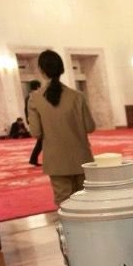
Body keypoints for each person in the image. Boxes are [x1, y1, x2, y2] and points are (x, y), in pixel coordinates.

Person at [27, 50, 96, 205]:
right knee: (86, 201)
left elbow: (36, 132)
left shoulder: (35, 99)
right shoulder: (77, 96)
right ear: (62, 69)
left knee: (64, 203)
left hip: (55, 159)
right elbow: (90, 127)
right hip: (81, 157)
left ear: (42, 71)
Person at [24, 80, 43, 166]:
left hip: (34, 121)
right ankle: (33, 159)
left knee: (41, 142)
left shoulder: (28, 96)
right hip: (39, 122)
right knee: (41, 142)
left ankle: (33, 159)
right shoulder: (36, 96)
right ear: (38, 86)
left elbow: (26, 110)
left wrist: (28, 120)